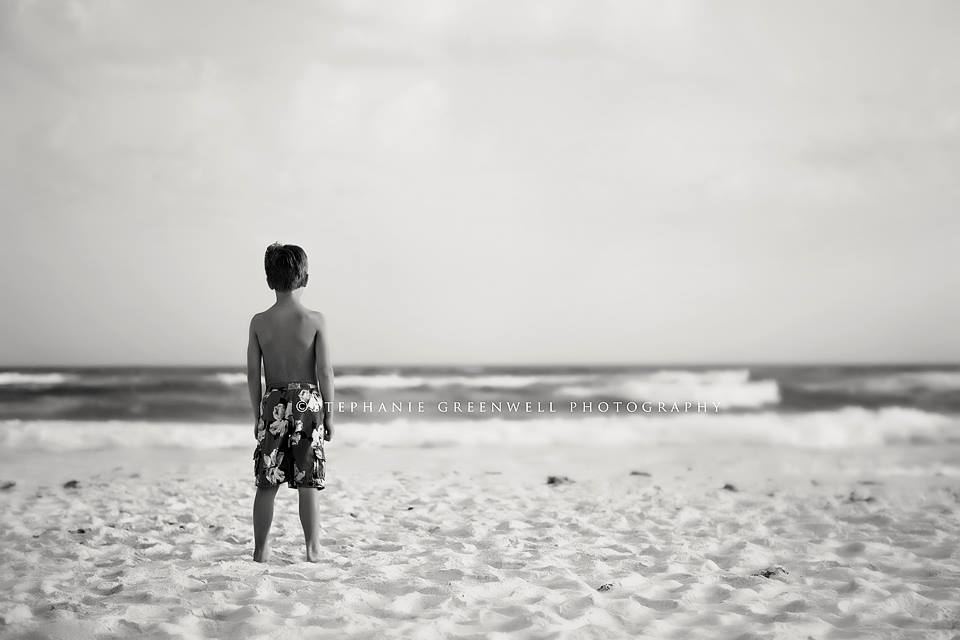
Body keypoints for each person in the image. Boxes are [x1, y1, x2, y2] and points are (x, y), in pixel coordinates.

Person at [247, 242, 334, 563]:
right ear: (306, 279)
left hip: (273, 403)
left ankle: (260, 550)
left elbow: (253, 374)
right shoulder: (315, 320)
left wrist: (257, 413)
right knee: (308, 481)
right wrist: (329, 413)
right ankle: (312, 548)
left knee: (267, 480)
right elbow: (324, 370)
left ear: (269, 281)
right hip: (307, 402)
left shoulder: (259, 322)